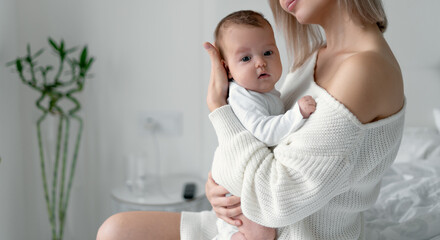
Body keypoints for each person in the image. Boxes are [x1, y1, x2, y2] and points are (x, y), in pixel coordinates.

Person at [96, 0, 405, 239]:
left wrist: (219, 109)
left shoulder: (363, 68)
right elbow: (266, 142)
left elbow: (275, 198)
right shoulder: (318, 55)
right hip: (251, 220)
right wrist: (218, 184)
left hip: (293, 230)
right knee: (116, 229)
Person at [211, 10, 316, 240]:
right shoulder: (242, 96)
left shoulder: (263, 92)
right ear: (227, 68)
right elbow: (265, 132)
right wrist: (296, 114)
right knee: (260, 233)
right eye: (246, 58)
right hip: (236, 180)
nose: (260, 62)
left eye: (268, 52)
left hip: (244, 174)